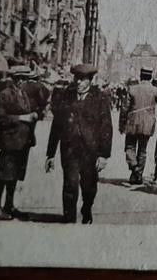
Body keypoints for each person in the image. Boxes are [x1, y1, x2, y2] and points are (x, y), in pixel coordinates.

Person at [45, 64, 112, 224]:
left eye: (83, 80)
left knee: (89, 187)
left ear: (90, 80)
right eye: (77, 79)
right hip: (69, 150)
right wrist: (50, 154)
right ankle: (69, 220)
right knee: (70, 185)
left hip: (91, 152)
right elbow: (57, 126)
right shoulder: (65, 97)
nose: (79, 82)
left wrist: (104, 155)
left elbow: (106, 128)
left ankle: (86, 209)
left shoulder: (100, 99)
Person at [0, 66, 39, 220]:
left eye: (25, 78)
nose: (23, 81)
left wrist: (33, 115)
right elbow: (0, 117)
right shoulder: (6, 94)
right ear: (14, 78)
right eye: (20, 78)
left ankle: (9, 205)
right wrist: (22, 118)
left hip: (22, 142)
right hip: (10, 141)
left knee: (15, 175)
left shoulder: (22, 93)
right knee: (4, 174)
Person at [121, 73, 157, 184]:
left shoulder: (132, 89)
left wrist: (122, 124)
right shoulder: (155, 90)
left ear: (140, 76)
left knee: (130, 146)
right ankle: (138, 174)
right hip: (147, 124)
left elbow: (124, 109)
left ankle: (133, 167)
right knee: (142, 150)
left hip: (132, 123)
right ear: (150, 77)